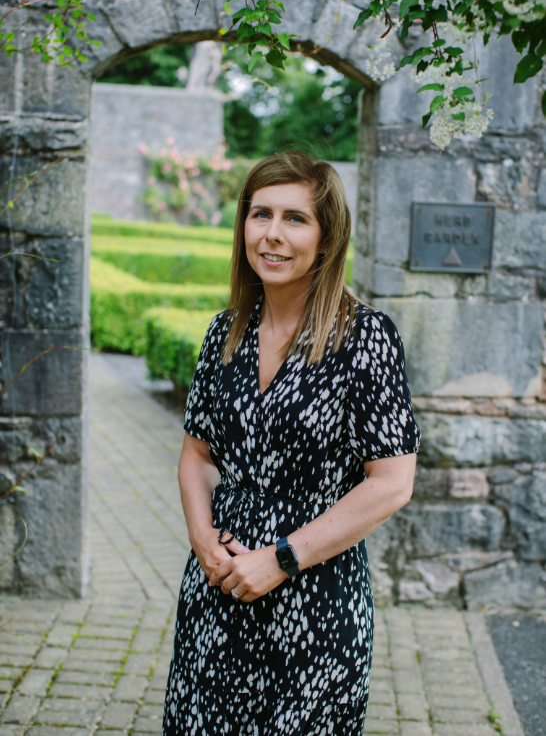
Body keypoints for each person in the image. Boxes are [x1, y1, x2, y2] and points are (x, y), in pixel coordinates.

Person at [163, 151, 420, 736]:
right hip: (218, 586)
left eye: (295, 218)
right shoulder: (225, 331)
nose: (272, 234)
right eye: (261, 214)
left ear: (327, 238)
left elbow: (392, 483)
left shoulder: (365, 338)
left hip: (315, 599)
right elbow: (197, 456)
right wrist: (202, 538)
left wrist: (280, 559)